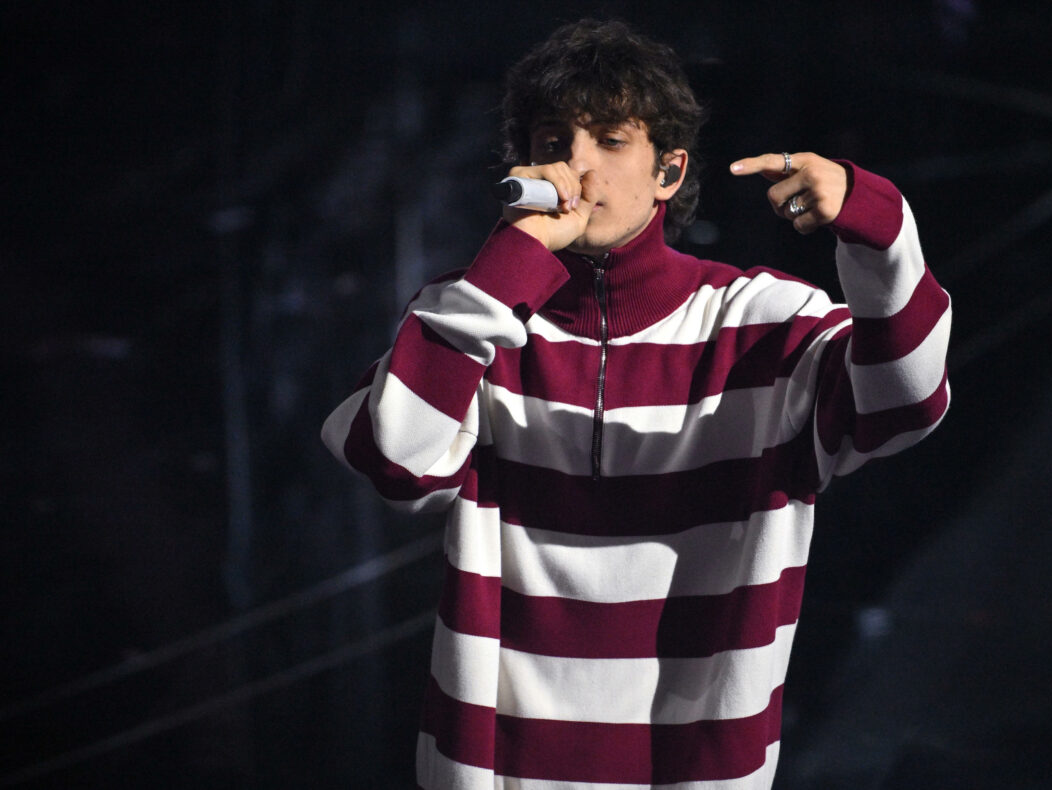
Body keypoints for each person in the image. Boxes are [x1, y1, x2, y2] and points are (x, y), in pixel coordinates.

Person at [322, 18, 951, 789]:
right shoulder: (477, 318)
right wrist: (507, 267)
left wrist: (877, 225)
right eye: (554, 141)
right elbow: (391, 459)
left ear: (669, 171)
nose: (577, 166)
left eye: (611, 140)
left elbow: (906, 405)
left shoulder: (761, 321)